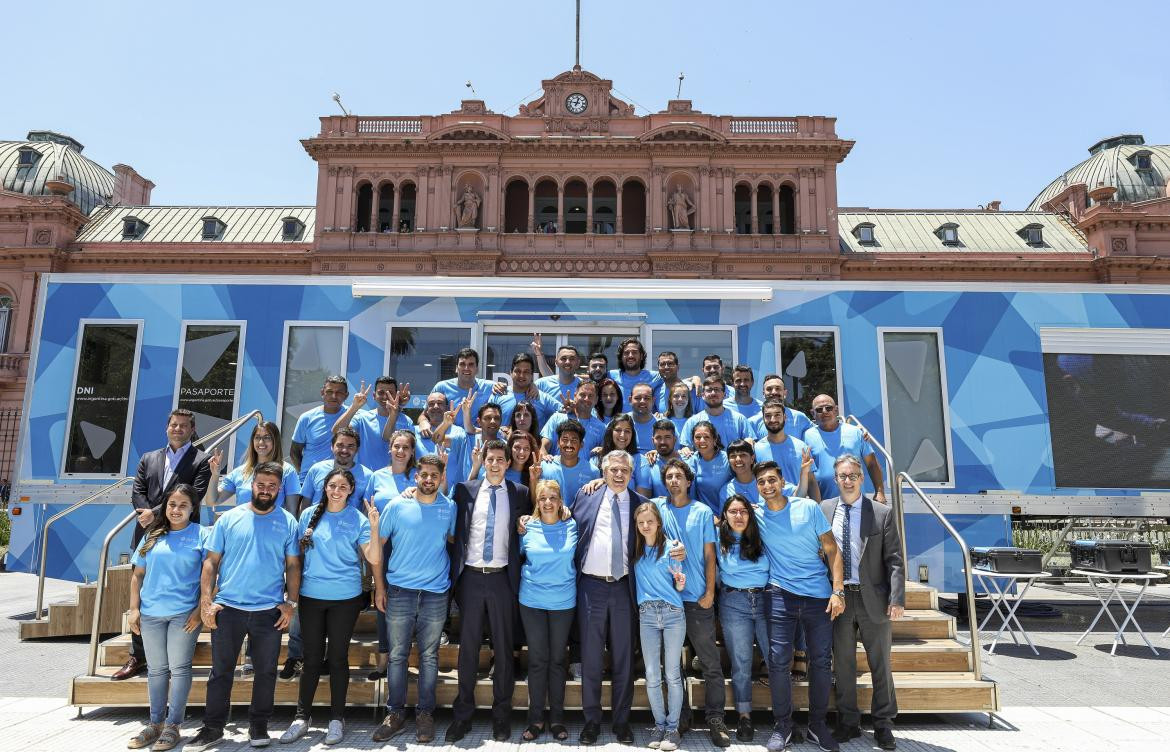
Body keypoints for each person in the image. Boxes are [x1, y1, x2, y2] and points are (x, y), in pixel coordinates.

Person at [187, 462, 301, 751]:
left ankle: (259, 726)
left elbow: (293, 565)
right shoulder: (228, 519)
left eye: (272, 486)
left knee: (265, 672)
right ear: (252, 484)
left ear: (279, 488)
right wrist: (206, 601)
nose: (265, 490)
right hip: (229, 608)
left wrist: (291, 604)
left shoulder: (288, 521)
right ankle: (212, 728)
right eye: (261, 485)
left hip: (269, 612)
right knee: (220, 672)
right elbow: (211, 561)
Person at [572, 450, 683, 745]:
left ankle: (621, 722)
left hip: (625, 588)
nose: (619, 475)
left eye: (624, 470)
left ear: (631, 474)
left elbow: (661, 537)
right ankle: (591, 721)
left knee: (623, 657)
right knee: (591, 658)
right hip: (591, 587)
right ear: (603, 472)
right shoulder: (586, 496)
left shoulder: (642, 504)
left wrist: (677, 550)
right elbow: (568, 525)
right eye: (613, 470)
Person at [280, 470, 382, 746]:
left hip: (345, 599)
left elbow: (372, 557)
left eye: (343, 487)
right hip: (311, 597)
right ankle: (302, 717)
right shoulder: (308, 514)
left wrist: (374, 527)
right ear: (325, 488)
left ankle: (337, 719)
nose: (337, 490)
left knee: (337, 658)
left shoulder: (357, 519)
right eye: (332, 486)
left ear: (351, 490)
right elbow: (296, 559)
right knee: (311, 658)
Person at [752, 460, 845, 752]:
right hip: (779, 594)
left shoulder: (808, 508)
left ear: (782, 481)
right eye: (762, 482)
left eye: (772, 480)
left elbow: (832, 550)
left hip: (818, 596)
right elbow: (728, 520)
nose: (768, 486)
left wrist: (838, 592)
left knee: (820, 662)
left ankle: (817, 725)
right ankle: (783, 726)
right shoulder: (757, 515)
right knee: (778, 662)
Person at [117, 408, 212, 682]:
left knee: (180, 588)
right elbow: (137, 490)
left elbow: (195, 494)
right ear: (167, 427)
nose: (178, 429)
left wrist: (154, 513)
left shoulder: (201, 460)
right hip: (147, 532)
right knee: (143, 588)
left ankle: (174, 657)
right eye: (174, 425)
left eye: (184, 426)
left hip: (182, 534)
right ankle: (138, 656)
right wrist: (145, 514)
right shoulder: (149, 458)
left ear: (192, 430)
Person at [446, 439, 530, 743]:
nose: (494, 464)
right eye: (489, 458)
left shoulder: (519, 493)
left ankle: (501, 716)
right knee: (468, 650)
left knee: (504, 651)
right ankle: (463, 715)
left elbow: (527, 528)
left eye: (500, 459)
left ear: (508, 463)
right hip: (470, 578)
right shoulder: (465, 490)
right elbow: (443, 511)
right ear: (482, 460)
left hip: (502, 580)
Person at [821, 455, 904, 751]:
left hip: (874, 600)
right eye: (842, 476)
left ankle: (883, 724)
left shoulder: (881, 513)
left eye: (853, 475)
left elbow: (895, 560)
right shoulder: (825, 509)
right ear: (836, 479)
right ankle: (848, 722)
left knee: (880, 664)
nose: (847, 480)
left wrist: (897, 598)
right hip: (841, 598)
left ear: (861, 479)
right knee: (842, 664)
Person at [371, 454, 456, 744]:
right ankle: (395, 713)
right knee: (397, 656)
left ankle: (425, 714)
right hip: (399, 591)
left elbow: (456, 542)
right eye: (424, 475)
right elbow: (376, 550)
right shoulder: (396, 506)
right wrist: (379, 587)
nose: (429, 480)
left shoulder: (450, 508)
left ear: (442, 478)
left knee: (429, 656)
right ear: (415, 477)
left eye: (435, 475)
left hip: (435, 593)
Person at [125, 485, 207, 751]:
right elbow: (137, 575)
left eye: (183, 505)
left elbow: (213, 575)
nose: (176, 510)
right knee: (156, 670)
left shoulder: (203, 535)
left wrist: (200, 610)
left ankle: (173, 726)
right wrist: (134, 609)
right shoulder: (153, 534)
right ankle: (154, 724)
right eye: (172, 504)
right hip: (150, 614)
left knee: (179, 669)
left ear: (193, 508)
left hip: (184, 615)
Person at [658, 459, 730, 746]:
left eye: (679, 476)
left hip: (697, 598)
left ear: (689, 481)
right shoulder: (658, 508)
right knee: (672, 665)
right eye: (669, 476)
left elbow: (710, 556)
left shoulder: (701, 511)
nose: (674, 480)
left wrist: (710, 592)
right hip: (667, 599)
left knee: (710, 663)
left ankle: (715, 719)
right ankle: (681, 717)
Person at [518, 479, 578, 742]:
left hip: (563, 601)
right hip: (531, 600)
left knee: (557, 661)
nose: (548, 502)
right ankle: (535, 719)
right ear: (537, 502)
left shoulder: (572, 525)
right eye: (543, 498)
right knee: (537, 660)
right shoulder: (527, 527)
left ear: (560, 500)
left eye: (553, 497)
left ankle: (557, 719)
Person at [364, 428, 419, 680]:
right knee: (382, 599)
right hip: (383, 545)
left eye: (405, 447)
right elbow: (368, 511)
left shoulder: (418, 477)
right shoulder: (376, 476)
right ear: (390, 448)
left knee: (410, 604)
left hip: (410, 546)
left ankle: (404, 657)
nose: (400, 451)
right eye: (396, 446)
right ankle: (384, 657)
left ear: (412, 452)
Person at [633, 501, 688, 752]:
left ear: (658, 523)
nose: (646, 526)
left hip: (673, 613)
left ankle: (673, 728)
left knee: (672, 674)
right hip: (647, 614)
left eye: (650, 521)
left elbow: (679, 586)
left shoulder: (672, 548)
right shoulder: (634, 548)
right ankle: (659, 724)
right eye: (641, 522)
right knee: (652, 674)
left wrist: (680, 581)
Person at [717, 495, 771, 742]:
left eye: (743, 511)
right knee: (741, 662)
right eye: (733, 511)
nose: (738, 516)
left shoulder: (764, 536)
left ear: (751, 514)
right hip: (734, 602)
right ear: (725, 516)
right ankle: (744, 717)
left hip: (766, 601)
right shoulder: (718, 540)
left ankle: (784, 717)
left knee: (776, 659)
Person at [206, 421, 301, 516]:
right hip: (243, 527)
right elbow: (212, 501)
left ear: (275, 441)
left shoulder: (287, 471)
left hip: (272, 529)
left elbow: (291, 512)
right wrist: (215, 475)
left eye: (267, 437)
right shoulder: (240, 472)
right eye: (257, 437)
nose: (261, 442)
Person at [803, 394, 885, 502]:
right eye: (819, 409)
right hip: (825, 504)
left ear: (836, 410)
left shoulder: (855, 432)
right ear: (813, 413)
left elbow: (872, 464)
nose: (824, 411)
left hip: (856, 502)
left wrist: (879, 492)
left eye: (829, 408)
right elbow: (807, 473)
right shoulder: (807, 436)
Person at [330, 377, 412, 472]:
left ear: (396, 395)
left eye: (390, 393)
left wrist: (395, 412)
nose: (385, 397)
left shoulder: (406, 421)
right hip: (366, 477)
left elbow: (389, 439)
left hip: (393, 478)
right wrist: (354, 407)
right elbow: (336, 431)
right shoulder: (362, 418)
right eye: (381, 393)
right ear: (374, 395)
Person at [297, 427, 373, 516]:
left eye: (350, 446)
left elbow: (366, 510)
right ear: (332, 447)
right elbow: (306, 503)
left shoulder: (368, 476)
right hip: (315, 526)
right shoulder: (316, 469)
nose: (344, 450)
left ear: (357, 450)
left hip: (349, 528)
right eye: (340, 445)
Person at [754, 399, 820, 500]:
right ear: (763, 419)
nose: (773, 419)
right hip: (770, 509)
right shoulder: (757, 449)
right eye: (768, 416)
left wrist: (817, 507)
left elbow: (811, 482)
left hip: (798, 506)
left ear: (785, 417)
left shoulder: (801, 446)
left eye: (777, 415)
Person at [427, 347, 505, 430]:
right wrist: (424, 423)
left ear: (477, 369)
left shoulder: (490, 387)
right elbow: (424, 414)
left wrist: (503, 386)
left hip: (478, 439)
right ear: (456, 368)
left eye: (471, 364)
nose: (466, 368)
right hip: (450, 439)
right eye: (462, 364)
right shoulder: (441, 387)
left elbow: (512, 394)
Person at [291, 375, 349, 483]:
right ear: (322, 393)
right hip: (308, 482)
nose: (334, 396)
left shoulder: (353, 416)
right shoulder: (307, 418)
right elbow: (294, 452)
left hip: (339, 483)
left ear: (346, 396)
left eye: (339, 392)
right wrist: (307, 473)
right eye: (329, 391)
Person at [539, 419, 601, 507]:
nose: (569, 444)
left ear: (581, 444)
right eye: (565, 439)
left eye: (574, 440)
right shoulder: (545, 466)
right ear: (558, 443)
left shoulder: (593, 472)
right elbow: (536, 499)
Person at [541, 379, 606, 457]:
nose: (586, 399)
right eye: (582, 395)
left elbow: (604, 454)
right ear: (575, 396)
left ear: (596, 400)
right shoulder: (556, 418)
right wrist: (545, 460)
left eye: (590, 396)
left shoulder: (601, 428)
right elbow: (543, 448)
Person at [682, 376, 750, 450]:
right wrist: (686, 449)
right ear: (703, 395)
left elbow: (749, 441)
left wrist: (749, 441)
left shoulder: (739, 419)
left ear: (724, 395)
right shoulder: (692, 422)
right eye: (709, 390)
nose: (713, 393)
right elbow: (686, 448)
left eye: (717, 390)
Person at [499, 352, 564, 429]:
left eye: (526, 372)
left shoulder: (542, 398)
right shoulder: (499, 394)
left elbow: (565, 413)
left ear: (532, 375)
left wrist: (548, 435)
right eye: (518, 371)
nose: (521, 375)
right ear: (511, 373)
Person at [748, 374, 813, 441]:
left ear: (785, 393)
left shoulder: (799, 417)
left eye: (778, 388)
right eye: (769, 389)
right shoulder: (753, 422)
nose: (774, 392)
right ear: (763, 394)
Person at [589, 414, 645, 492]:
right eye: (618, 430)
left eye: (627, 431)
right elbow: (590, 491)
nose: (622, 435)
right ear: (611, 432)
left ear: (632, 435)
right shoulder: (596, 459)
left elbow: (643, 498)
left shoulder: (640, 460)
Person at [636, 420, 688, 499]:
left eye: (667, 437)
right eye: (658, 438)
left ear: (675, 439)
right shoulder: (649, 464)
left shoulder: (688, 461)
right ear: (653, 440)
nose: (663, 442)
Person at [688, 421, 732, 513]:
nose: (702, 440)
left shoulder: (727, 459)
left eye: (706, 437)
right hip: (704, 515)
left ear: (715, 440)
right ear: (693, 441)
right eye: (698, 437)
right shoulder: (692, 460)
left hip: (728, 514)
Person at [609, 338, 664, 406]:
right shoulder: (610, 376)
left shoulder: (656, 377)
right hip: (619, 417)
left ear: (641, 356)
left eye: (634, 352)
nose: (630, 355)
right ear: (621, 357)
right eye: (626, 353)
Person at [627, 382, 659, 450]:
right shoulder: (618, 423)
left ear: (653, 401)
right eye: (637, 398)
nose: (642, 401)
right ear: (630, 400)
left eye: (647, 398)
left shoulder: (665, 426)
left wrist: (659, 454)